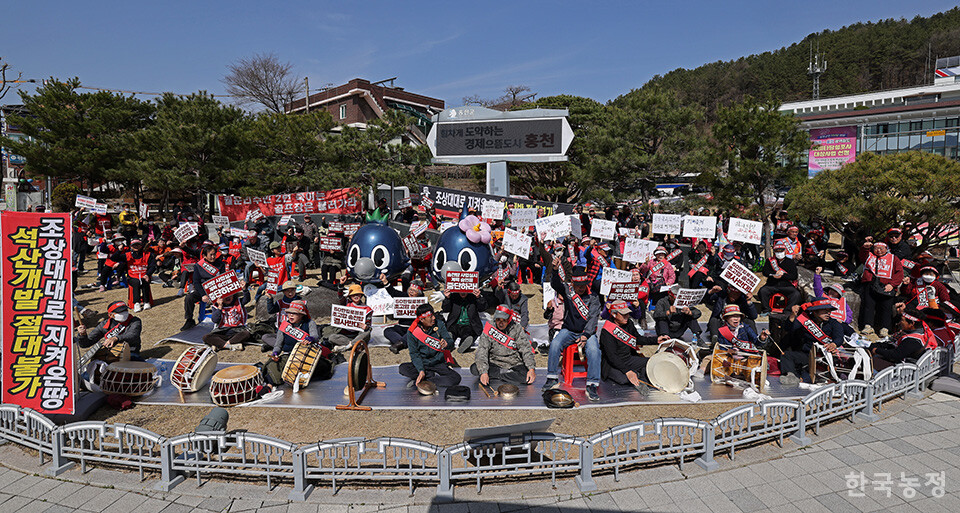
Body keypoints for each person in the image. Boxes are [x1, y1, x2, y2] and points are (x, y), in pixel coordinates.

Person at [541, 265, 603, 402]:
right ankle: (551, 377)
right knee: (555, 343)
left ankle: (592, 384)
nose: (581, 288)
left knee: (594, 350)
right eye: (578, 285)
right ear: (573, 284)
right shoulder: (569, 292)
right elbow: (555, 284)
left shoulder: (593, 297)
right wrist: (555, 270)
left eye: (583, 285)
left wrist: (586, 335)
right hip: (569, 330)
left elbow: (593, 318)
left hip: (587, 333)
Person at [599, 300, 668, 395]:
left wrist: (656, 340)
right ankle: (637, 376)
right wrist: (627, 371)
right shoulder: (606, 331)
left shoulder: (629, 323)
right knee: (623, 379)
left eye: (627, 314)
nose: (627, 316)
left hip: (628, 359)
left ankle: (640, 379)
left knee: (651, 363)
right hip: (612, 364)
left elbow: (637, 339)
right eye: (623, 314)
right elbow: (612, 356)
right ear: (614, 315)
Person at [263, 300, 332, 385]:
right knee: (272, 365)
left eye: (294, 313)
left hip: (306, 355)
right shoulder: (284, 326)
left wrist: (311, 339)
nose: (291, 315)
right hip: (289, 355)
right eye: (289, 312)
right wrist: (275, 353)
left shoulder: (310, 323)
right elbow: (278, 345)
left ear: (301, 315)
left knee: (322, 367)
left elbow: (315, 337)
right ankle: (269, 386)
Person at [778, 298, 845, 386]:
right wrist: (793, 315)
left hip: (825, 357)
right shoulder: (806, 320)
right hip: (808, 355)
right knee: (786, 355)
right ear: (815, 311)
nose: (828, 313)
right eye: (824, 310)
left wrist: (833, 344)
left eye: (829, 310)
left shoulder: (834, 323)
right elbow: (789, 328)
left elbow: (839, 337)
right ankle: (791, 376)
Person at [470, 306, 536, 386]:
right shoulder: (490, 328)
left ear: (509, 320)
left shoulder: (517, 328)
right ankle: (505, 375)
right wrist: (483, 372)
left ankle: (496, 375)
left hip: (513, 363)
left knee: (526, 376)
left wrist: (531, 369)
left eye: (504, 320)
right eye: (498, 320)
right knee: (474, 369)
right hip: (494, 362)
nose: (500, 323)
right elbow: (482, 350)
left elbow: (525, 349)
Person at [400, 303, 462, 387]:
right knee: (403, 368)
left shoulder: (439, 324)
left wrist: (447, 344)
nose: (434, 318)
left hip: (438, 362)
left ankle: (426, 380)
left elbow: (450, 342)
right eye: (430, 317)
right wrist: (421, 370)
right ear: (422, 320)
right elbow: (414, 354)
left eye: (433, 315)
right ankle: (427, 375)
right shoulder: (413, 331)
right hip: (422, 362)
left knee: (455, 378)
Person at [859, 241, 903, 337]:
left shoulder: (893, 258)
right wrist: (865, 248)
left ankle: (885, 328)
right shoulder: (869, 256)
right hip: (871, 284)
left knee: (886, 307)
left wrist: (892, 284)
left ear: (886, 249)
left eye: (881, 248)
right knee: (868, 306)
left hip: (887, 286)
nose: (878, 251)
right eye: (876, 248)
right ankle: (868, 326)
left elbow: (899, 273)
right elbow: (862, 256)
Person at [74, 301, 144, 361]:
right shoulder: (104, 325)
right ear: (111, 315)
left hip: (131, 352)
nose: (124, 313)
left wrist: (116, 338)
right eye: (120, 312)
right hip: (110, 354)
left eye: (125, 310)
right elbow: (85, 344)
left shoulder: (134, 320)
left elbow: (133, 335)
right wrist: (82, 335)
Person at [106, 239, 157, 312]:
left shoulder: (148, 255)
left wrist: (148, 274)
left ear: (141, 245)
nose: (136, 246)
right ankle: (136, 303)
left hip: (144, 275)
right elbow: (113, 258)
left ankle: (146, 301)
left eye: (138, 245)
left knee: (144, 282)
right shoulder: (127, 255)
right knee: (136, 283)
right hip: (132, 276)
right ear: (131, 246)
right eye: (134, 245)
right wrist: (119, 250)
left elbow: (153, 266)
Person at [182, 245, 224, 331]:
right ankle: (189, 320)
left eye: (214, 254)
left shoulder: (220, 264)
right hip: (203, 289)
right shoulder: (198, 265)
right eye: (210, 255)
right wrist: (203, 295)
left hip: (216, 289)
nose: (213, 257)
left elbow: (224, 278)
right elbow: (196, 282)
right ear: (204, 256)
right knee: (189, 298)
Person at [381, 274, 425, 354]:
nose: (411, 292)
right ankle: (402, 343)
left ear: (419, 293)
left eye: (414, 291)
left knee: (414, 333)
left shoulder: (423, 302)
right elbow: (393, 292)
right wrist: (385, 282)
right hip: (401, 327)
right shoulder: (404, 296)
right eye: (410, 289)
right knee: (387, 331)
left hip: (414, 328)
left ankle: (399, 344)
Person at [323, 284, 373, 352]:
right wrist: (341, 284)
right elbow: (340, 296)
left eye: (358, 294)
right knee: (332, 337)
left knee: (367, 332)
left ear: (361, 295)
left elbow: (369, 325)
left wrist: (366, 327)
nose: (356, 296)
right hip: (346, 335)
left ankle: (348, 346)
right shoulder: (347, 303)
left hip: (359, 334)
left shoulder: (367, 309)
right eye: (353, 295)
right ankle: (355, 345)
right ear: (350, 296)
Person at [441, 284, 488, 353]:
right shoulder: (453, 296)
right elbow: (445, 309)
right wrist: (447, 298)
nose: (463, 292)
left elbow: (483, 308)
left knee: (467, 334)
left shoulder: (473, 297)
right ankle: (449, 342)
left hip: (468, 324)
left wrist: (478, 297)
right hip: (455, 323)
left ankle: (464, 345)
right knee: (451, 332)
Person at [758, 241, 802, 312]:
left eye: (781, 251)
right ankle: (766, 309)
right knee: (763, 291)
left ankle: (788, 310)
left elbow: (794, 276)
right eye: (777, 251)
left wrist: (783, 275)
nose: (779, 253)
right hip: (772, 284)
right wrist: (773, 275)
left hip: (786, 285)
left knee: (796, 294)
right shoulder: (770, 261)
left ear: (785, 251)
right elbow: (765, 272)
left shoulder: (790, 262)